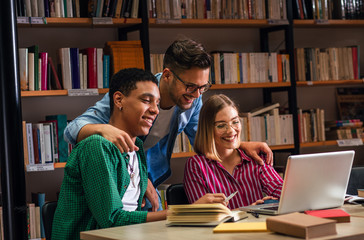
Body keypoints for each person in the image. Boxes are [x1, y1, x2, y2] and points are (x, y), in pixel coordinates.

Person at [63, 38, 273, 211]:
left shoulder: (194, 99)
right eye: (190, 86)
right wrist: (103, 129)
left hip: (146, 175)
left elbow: (204, 138)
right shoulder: (136, 94)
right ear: (167, 75)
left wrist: (239, 144)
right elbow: (72, 129)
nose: (197, 95)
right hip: (114, 179)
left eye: (203, 87)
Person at [52, 68, 166, 240]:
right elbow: (112, 220)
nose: (155, 110)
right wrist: (176, 216)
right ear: (119, 100)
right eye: (146, 100)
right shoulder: (97, 147)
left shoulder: (137, 149)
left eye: (157, 103)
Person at [184, 94, 283, 210]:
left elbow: (280, 190)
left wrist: (274, 202)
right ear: (208, 129)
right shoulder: (196, 165)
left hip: (260, 227)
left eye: (235, 122)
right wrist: (246, 212)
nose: (231, 131)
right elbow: (203, 215)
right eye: (221, 125)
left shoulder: (254, 157)